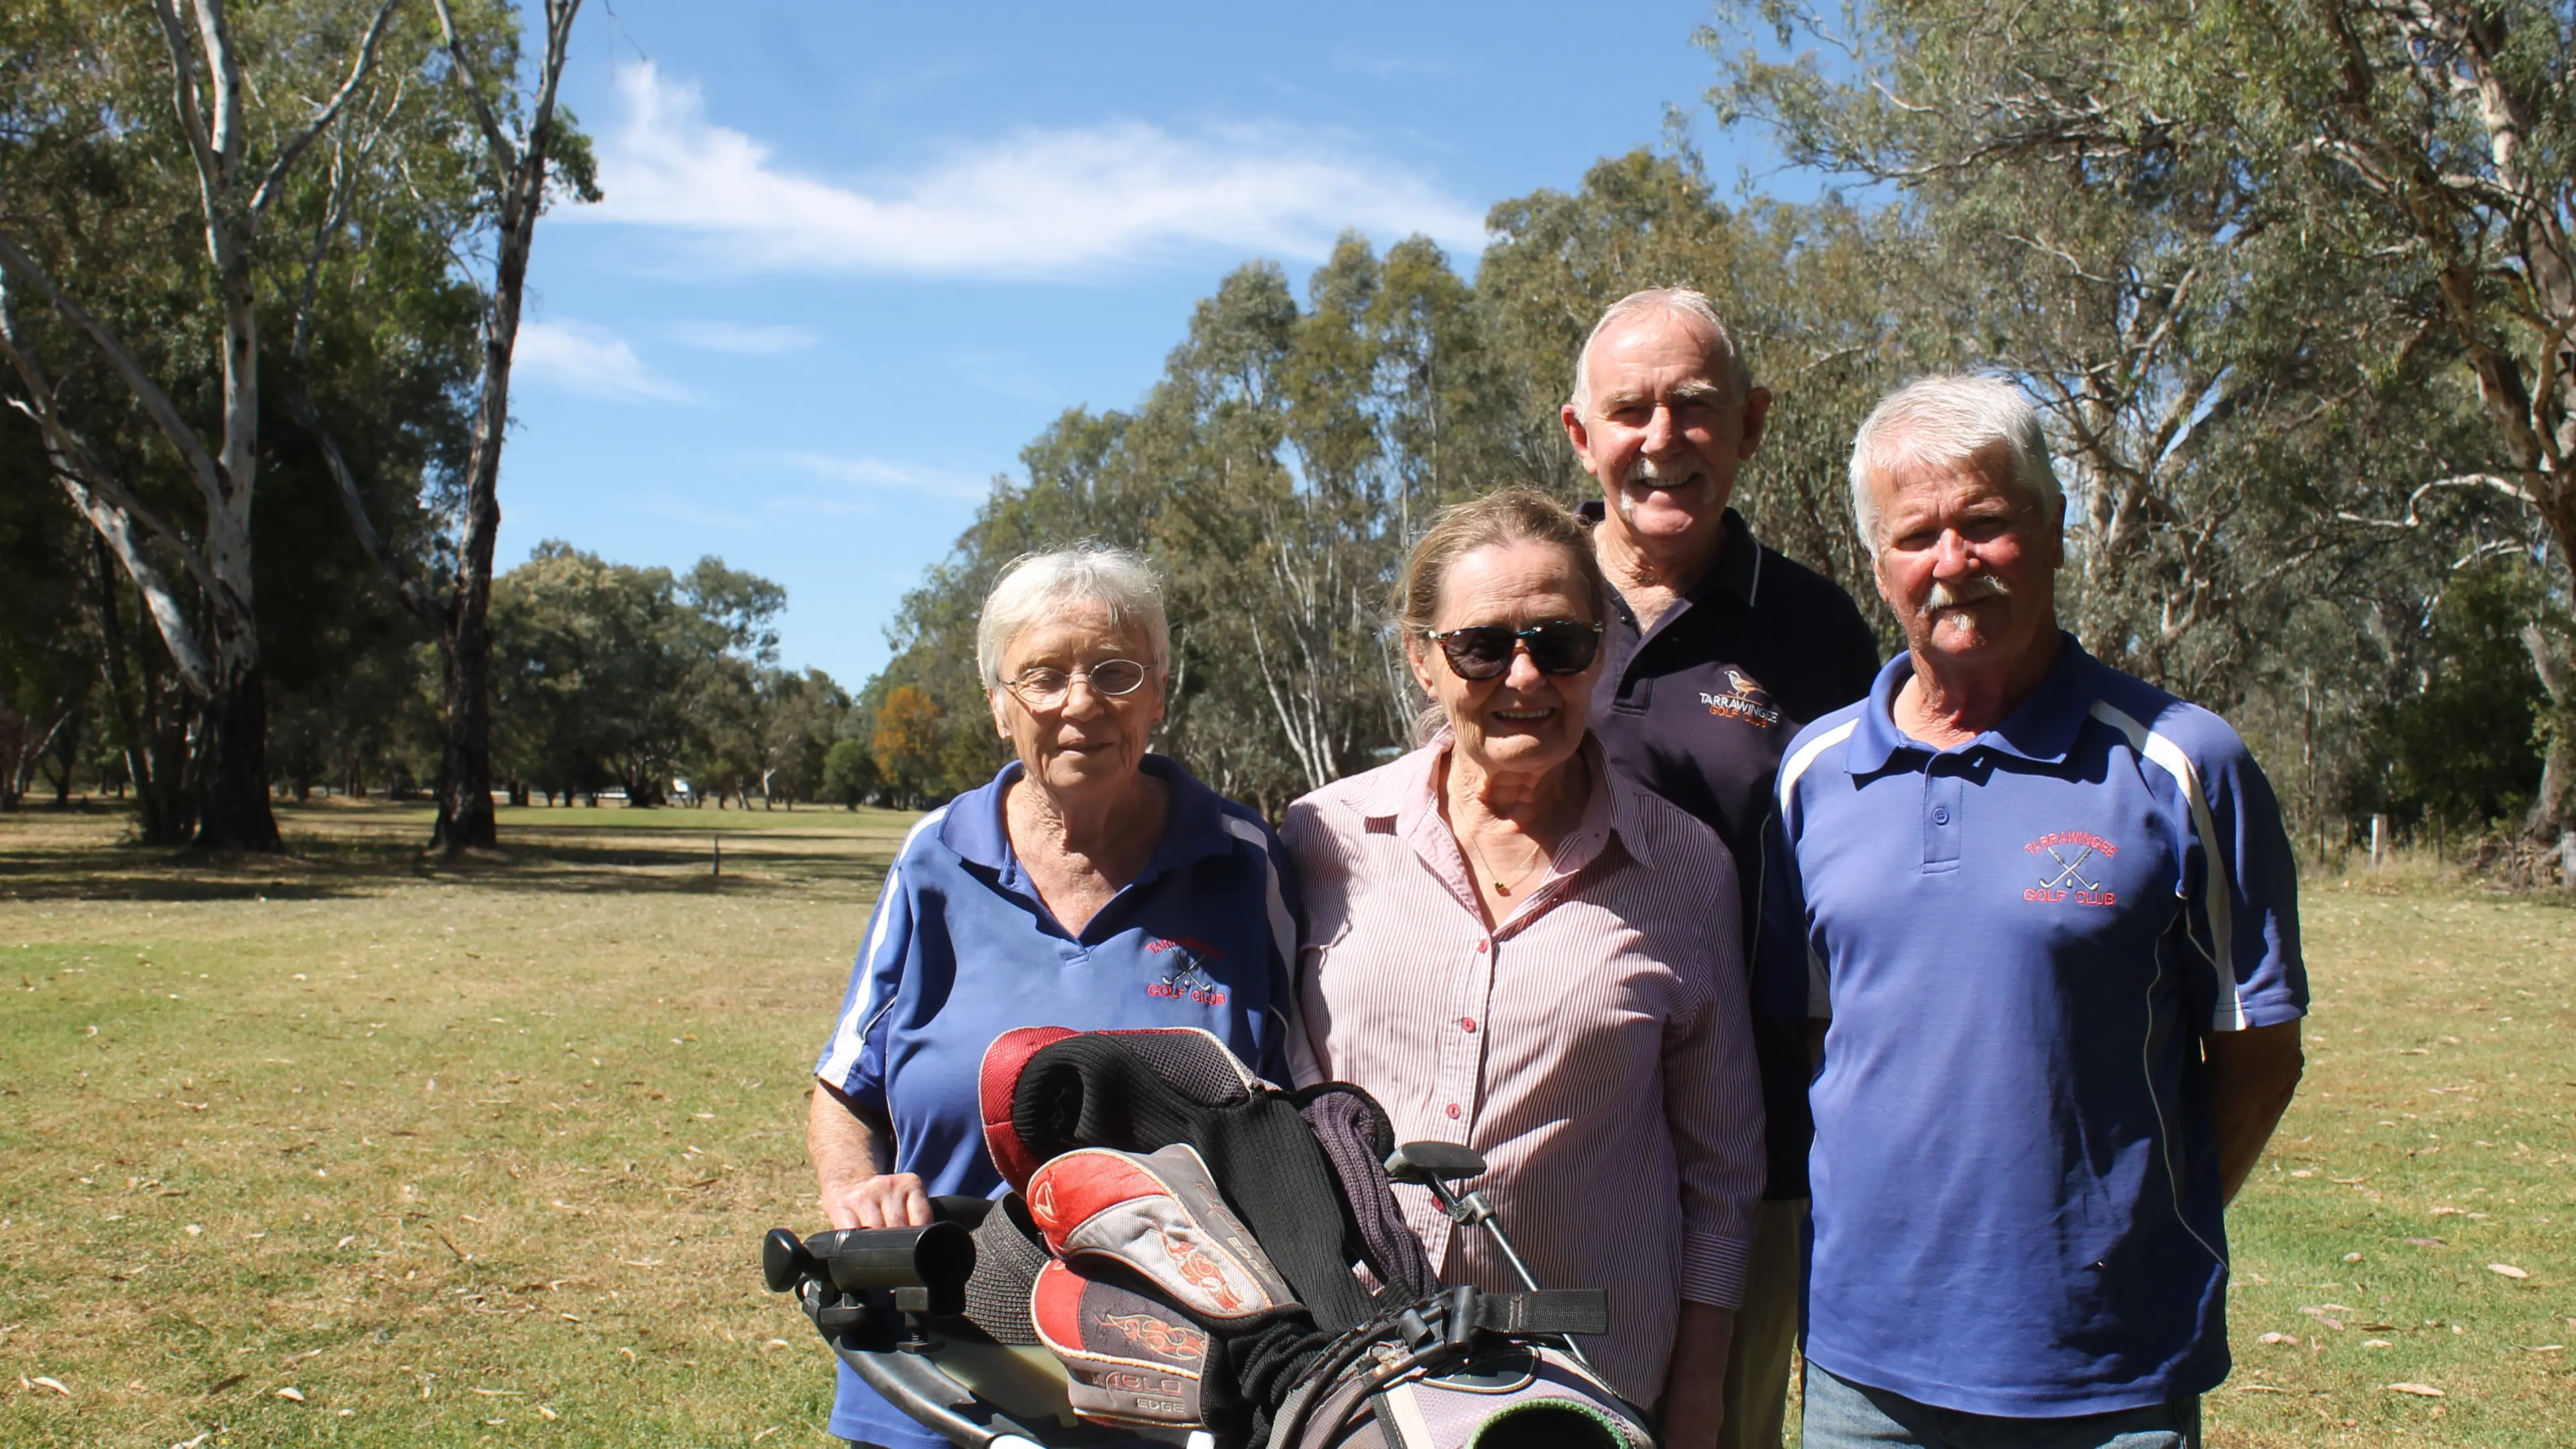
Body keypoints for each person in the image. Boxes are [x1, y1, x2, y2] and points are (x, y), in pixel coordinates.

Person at [1768, 376, 2308, 1449]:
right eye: (1916, 535)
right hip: (1863, 1371)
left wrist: (2124, 1240)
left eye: (1987, 522)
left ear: (2056, 530)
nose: (1953, 561)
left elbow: (2258, 1052)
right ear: (1878, 564)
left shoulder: (2182, 764)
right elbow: (1816, 1041)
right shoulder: (1813, 775)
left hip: (2108, 1375)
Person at [1283, 487, 1765, 1445]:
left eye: (1561, 643)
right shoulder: (1322, 840)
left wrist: (1700, 1393)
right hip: (1361, 1387)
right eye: (1482, 647)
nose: (1525, 675)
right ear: (1422, 659)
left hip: (1588, 1388)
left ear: (1604, 651)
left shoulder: (1684, 866)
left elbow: (1723, 1168)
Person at [807, 545, 1299, 1449]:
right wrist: (856, 1190)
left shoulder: (1243, 862)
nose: (1081, 703)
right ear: (1000, 705)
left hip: (1179, 1384)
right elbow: (847, 1084)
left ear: (1158, 694)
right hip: (933, 1368)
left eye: (1116, 673)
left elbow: (1302, 1108)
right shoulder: (933, 858)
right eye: (1043, 676)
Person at [1562, 287, 1883, 1449]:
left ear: (1752, 424)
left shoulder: (1816, 630)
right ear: (1580, 434)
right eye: (1630, 410)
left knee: (1721, 1425)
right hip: (1540, 1131)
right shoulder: (1524, 599)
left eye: (1694, 407)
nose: (1662, 439)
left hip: (1751, 1145)